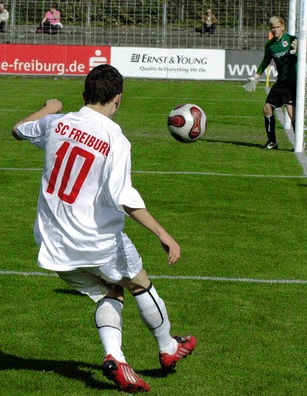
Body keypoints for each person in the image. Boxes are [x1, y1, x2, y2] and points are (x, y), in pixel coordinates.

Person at [12, 64, 196, 393]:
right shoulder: (115, 139)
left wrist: (49, 108)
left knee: (110, 292)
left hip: (52, 244)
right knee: (140, 284)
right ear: (118, 100)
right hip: (96, 240)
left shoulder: (59, 123)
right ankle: (168, 349)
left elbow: (18, 129)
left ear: (84, 94)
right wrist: (163, 234)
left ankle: (116, 357)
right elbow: (125, 197)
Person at [245, 16, 298, 150]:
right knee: (267, 108)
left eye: (277, 27)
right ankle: (272, 142)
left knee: (292, 113)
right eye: (272, 28)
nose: (275, 30)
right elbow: (266, 61)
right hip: (281, 82)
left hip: (293, 81)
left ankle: (300, 144)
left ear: (283, 27)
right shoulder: (270, 45)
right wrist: (256, 76)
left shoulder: (292, 39)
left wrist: (299, 51)